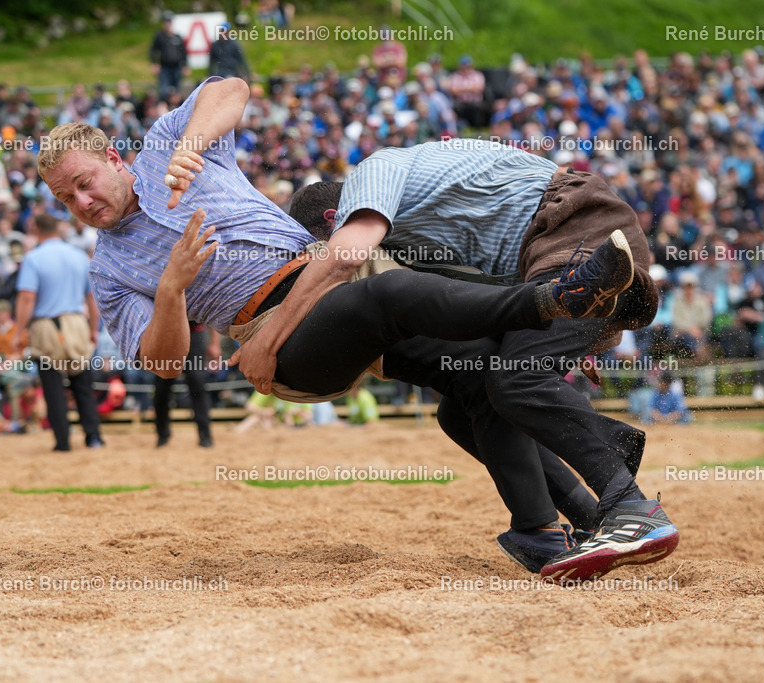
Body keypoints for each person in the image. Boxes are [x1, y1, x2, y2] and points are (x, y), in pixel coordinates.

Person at [36, 78, 643, 579]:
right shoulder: (110, 270)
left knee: (478, 374)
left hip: (324, 280)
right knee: (391, 293)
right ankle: (551, 301)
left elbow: (230, 87)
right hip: (278, 337)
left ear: (114, 157)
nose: (83, 203)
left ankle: (552, 529)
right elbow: (163, 363)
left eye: (84, 183)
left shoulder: (171, 147)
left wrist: (192, 143)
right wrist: (171, 289)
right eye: (67, 199)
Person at [289, 139, 678, 582]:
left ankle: (631, 507)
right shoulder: (411, 235)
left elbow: (344, 258)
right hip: (553, 254)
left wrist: (274, 337)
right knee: (464, 407)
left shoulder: (369, 178)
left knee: (516, 379)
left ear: (332, 220)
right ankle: (591, 519)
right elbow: (465, 299)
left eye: (317, 248)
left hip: (580, 233)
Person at [13, 214, 104, 451]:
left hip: (45, 324)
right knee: (82, 384)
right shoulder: (79, 256)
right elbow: (91, 297)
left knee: (53, 387)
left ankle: (62, 441)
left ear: (36, 229)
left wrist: (18, 332)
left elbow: (27, 297)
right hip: (76, 322)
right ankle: (93, 436)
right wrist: (93, 328)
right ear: (57, 229)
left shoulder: (33, 258)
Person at [154, 323, 217, 448]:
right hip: (166, 337)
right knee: (161, 389)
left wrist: (215, 343)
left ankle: (205, 436)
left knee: (198, 386)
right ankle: (162, 436)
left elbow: (211, 308)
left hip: (194, 334)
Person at [150, 12, 188, 99]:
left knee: (177, 91)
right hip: (165, 68)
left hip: (177, 67)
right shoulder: (160, 36)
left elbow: (183, 52)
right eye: (166, 22)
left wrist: (185, 65)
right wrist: (154, 63)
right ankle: (164, 108)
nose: (168, 24)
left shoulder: (178, 37)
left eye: (169, 22)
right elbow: (153, 51)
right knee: (164, 90)